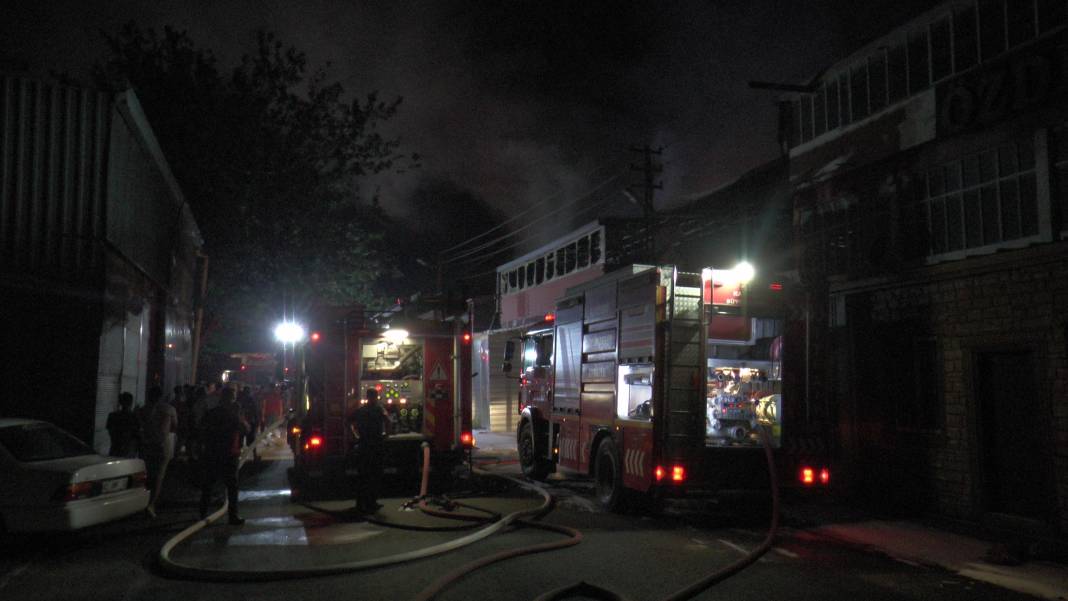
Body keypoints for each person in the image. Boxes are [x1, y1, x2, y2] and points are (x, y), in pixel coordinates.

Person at [199, 388, 249, 525]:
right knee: (232, 487)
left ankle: (202, 513)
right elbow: (245, 429)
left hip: (212, 453)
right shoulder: (233, 416)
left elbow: (202, 430)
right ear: (231, 399)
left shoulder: (211, 413)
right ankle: (233, 516)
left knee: (208, 485)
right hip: (229, 455)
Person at [348, 388, 389, 514]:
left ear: (367, 397)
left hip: (364, 446)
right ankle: (371, 503)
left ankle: (360, 504)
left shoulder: (360, 410)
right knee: (374, 476)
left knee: (363, 476)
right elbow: (389, 422)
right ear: (376, 397)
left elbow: (349, 422)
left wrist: (355, 436)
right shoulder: (379, 409)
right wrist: (386, 435)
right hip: (376, 446)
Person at [141, 385, 178, 517]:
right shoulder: (169, 409)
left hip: (146, 445)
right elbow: (175, 427)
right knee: (159, 476)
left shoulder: (143, 409)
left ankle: (142, 502)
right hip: (163, 446)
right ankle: (151, 504)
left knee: (146, 474)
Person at [106, 392, 140, 457]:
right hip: (128, 451)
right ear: (131, 403)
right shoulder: (134, 417)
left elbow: (111, 433)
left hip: (115, 449)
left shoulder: (112, 416)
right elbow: (137, 435)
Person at [237, 386, 260, 456]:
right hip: (250, 421)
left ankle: (239, 455)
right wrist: (257, 421)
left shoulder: (239, 399)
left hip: (241, 422)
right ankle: (254, 455)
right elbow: (255, 411)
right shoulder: (251, 399)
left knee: (240, 438)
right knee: (252, 439)